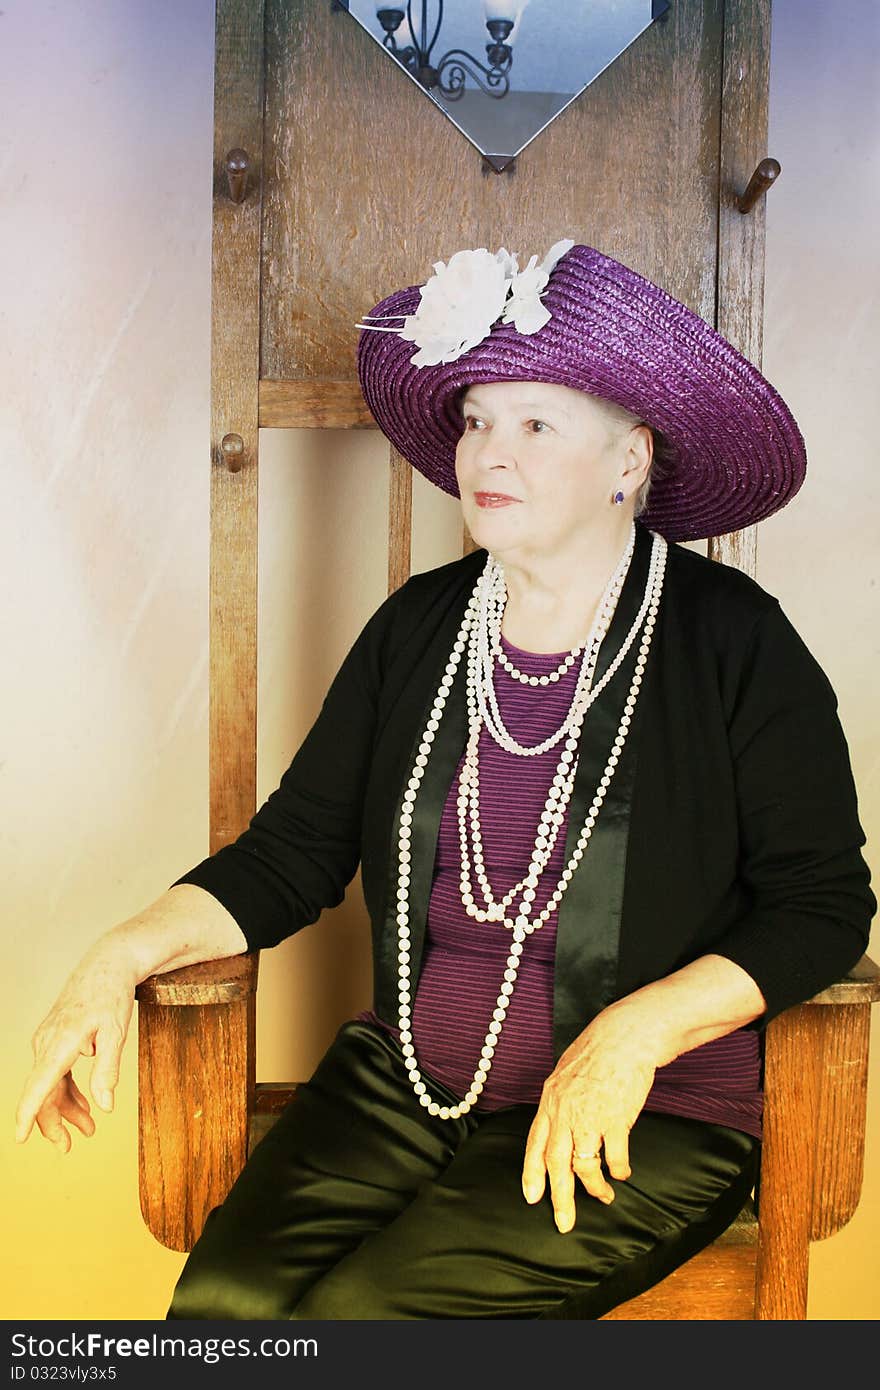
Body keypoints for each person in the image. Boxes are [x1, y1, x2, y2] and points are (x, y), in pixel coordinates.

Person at [16, 240, 875, 1321]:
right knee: (221, 1315)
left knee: (362, 1324)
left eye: (533, 424)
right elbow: (291, 854)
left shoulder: (733, 642)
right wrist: (114, 957)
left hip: (643, 1112)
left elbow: (823, 905)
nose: (485, 452)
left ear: (629, 462)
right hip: (407, 1088)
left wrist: (634, 1032)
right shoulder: (420, 627)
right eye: (474, 419)